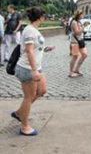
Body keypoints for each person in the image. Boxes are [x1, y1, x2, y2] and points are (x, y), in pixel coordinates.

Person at [13, 7, 55, 136]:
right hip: (27, 68)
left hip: (35, 67)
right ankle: (24, 126)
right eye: (44, 16)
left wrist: (44, 49)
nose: (45, 18)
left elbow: (35, 48)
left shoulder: (33, 30)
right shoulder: (30, 31)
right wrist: (34, 70)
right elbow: (29, 51)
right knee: (29, 97)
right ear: (41, 17)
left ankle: (20, 112)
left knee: (42, 90)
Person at [69, 10, 88, 78]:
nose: (83, 16)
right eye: (82, 14)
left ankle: (77, 69)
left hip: (80, 40)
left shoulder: (78, 21)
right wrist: (83, 28)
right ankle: (71, 72)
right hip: (75, 42)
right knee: (75, 56)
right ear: (78, 15)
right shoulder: (74, 22)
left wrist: (83, 27)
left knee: (84, 54)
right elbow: (77, 32)